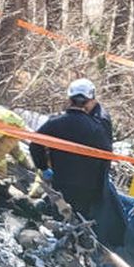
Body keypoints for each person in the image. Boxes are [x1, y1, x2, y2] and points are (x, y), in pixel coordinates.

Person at [29, 78, 112, 217]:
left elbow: (35, 145)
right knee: (80, 223)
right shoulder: (96, 127)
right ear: (88, 100)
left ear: (69, 99)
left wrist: (43, 167)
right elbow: (106, 156)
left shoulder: (54, 123)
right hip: (87, 187)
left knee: (58, 219)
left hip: (61, 182)